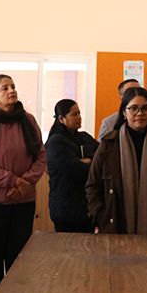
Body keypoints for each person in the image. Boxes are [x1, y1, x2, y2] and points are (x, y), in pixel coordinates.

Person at [0, 74, 47, 293]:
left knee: (18, 261)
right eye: (4, 88)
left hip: (23, 203)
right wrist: (14, 181)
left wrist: (25, 183)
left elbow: (41, 157)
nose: (11, 91)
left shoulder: (28, 120)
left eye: (13, 86)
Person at [86, 86, 147, 235]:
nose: (140, 113)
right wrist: (101, 217)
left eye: (145, 108)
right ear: (124, 112)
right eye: (133, 108)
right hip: (115, 227)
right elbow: (93, 186)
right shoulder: (108, 145)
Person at [46, 99, 99, 233]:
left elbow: (102, 159)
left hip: (86, 206)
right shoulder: (55, 142)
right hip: (66, 207)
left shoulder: (84, 137)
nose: (79, 117)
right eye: (74, 114)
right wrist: (85, 163)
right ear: (61, 119)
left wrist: (87, 160)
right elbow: (76, 171)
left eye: (79, 113)